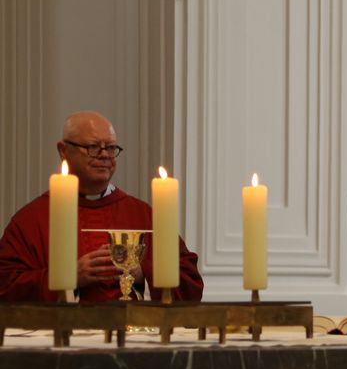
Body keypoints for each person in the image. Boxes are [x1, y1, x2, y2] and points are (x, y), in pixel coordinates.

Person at [0, 111, 203, 302]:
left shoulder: (143, 214)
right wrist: (67, 278)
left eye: (111, 148)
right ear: (63, 151)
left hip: (134, 335)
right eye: (93, 147)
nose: (105, 155)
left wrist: (144, 275)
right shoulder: (32, 220)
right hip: (65, 334)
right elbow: (6, 285)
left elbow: (190, 282)